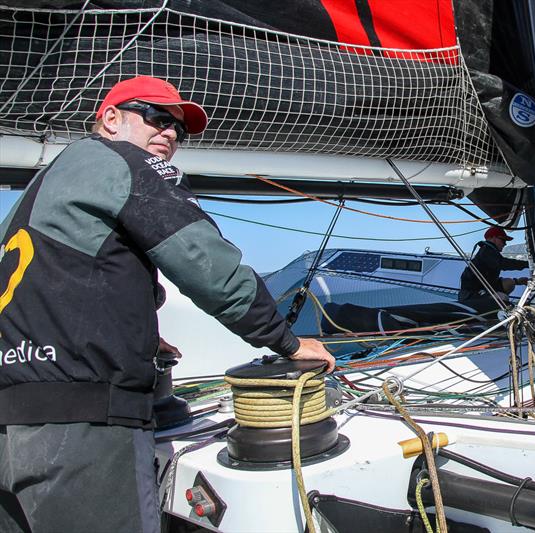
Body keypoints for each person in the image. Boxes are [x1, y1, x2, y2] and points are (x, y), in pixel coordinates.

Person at [0, 75, 334, 533]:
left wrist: (134, 330)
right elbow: (204, 262)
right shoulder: (125, 163)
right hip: (83, 428)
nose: (170, 133)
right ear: (111, 119)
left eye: (179, 127)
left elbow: (54, 278)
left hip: (13, 423)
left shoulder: (49, 180)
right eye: (157, 117)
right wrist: (286, 342)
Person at [458, 227, 529, 304]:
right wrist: (528, 264)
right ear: (493, 238)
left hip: (483, 288)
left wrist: (517, 281)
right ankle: (498, 310)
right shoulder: (486, 252)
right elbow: (504, 264)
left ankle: (493, 302)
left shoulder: (490, 251)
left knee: (509, 283)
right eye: (503, 240)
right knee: (503, 297)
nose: (505, 244)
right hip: (471, 294)